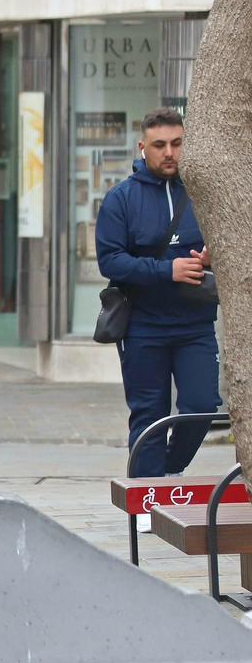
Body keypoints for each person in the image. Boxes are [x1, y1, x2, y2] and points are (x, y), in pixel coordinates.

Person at [96, 107, 220, 479]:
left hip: (196, 325)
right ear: (143, 147)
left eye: (177, 143)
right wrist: (169, 270)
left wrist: (213, 255)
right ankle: (147, 499)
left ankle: (167, 471)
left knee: (202, 406)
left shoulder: (203, 195)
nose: (170, 152)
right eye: (160, 145)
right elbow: (110, 261)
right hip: (143, 326)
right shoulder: (121, 198)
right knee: (149, 414)